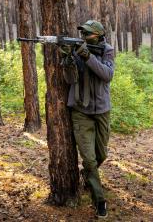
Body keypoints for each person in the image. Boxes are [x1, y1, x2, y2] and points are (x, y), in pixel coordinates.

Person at [62, 20, 114, 219]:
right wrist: (68, 58)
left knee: (101, 155)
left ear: (99, 35)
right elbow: (69, 79)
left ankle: (88, 176)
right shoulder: (76, 49)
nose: (85, 37)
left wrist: (87, 55)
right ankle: (99, 200)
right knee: (90, 160)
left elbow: (107, 74)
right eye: (83, 33)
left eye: (89, 34)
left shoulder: (107, 50)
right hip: (80, 110)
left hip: (101, 110)